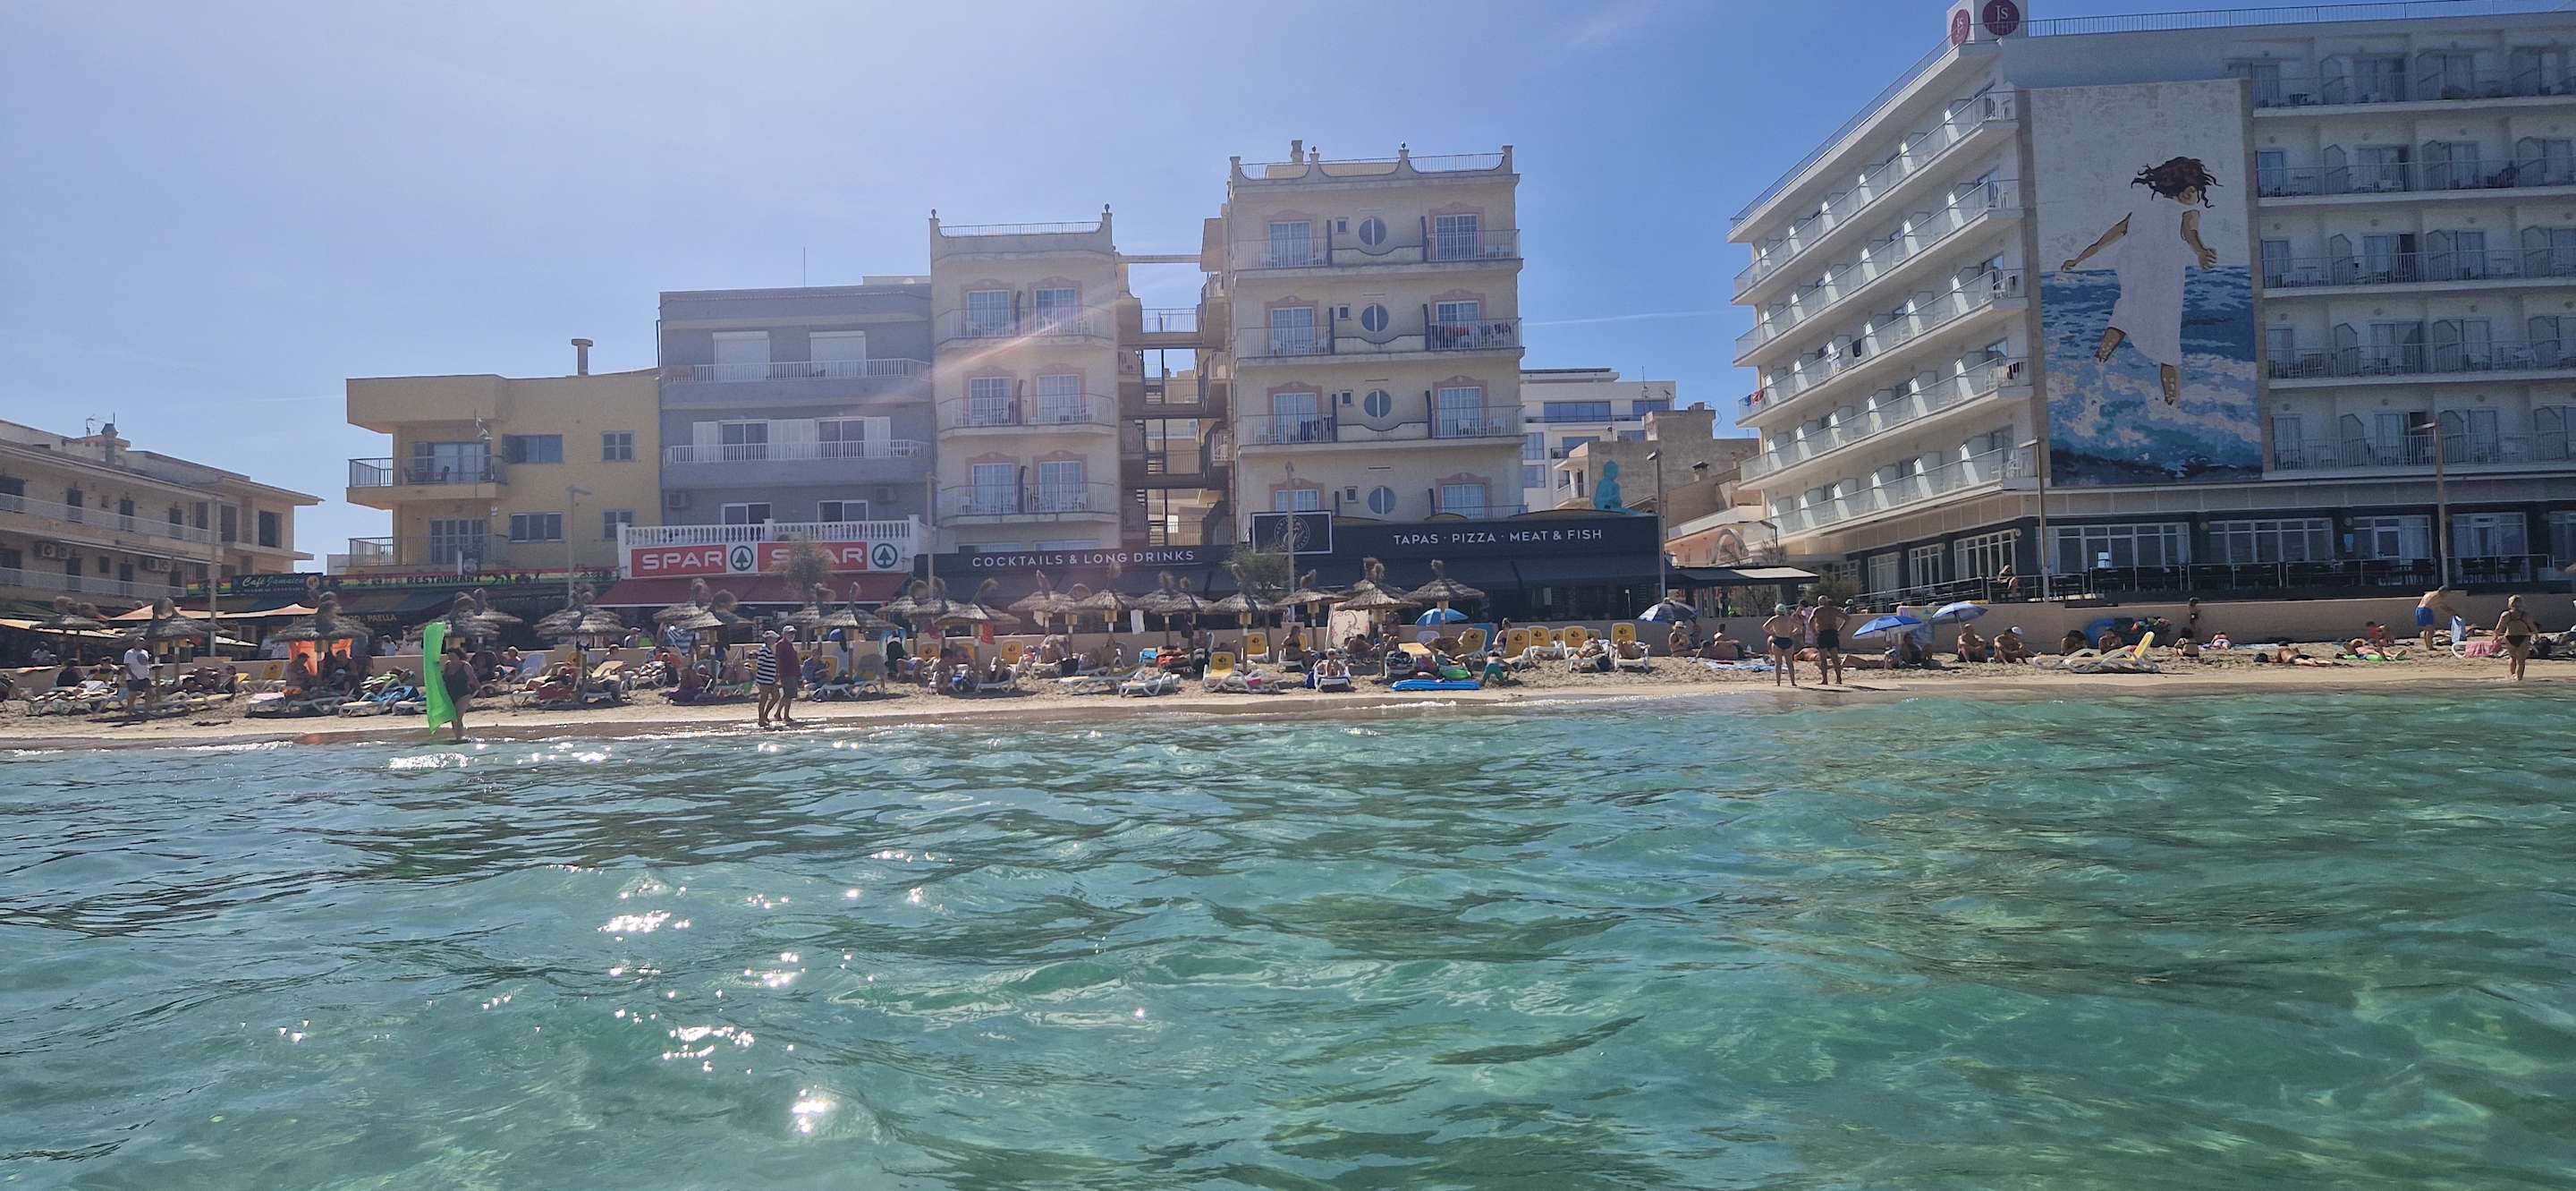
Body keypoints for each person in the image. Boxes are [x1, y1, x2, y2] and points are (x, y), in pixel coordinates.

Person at [2058, 155, 2223, 406]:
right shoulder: (2188, 211)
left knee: (2122, 319)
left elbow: (2103, 241)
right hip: (2165, 284)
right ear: (2189, 190)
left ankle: (2097, 365)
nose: (2198, 196)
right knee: (2169, 348)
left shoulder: (2140, 212)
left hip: (2135, 279)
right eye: (2198, 191)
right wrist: (2201, 252)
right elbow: (2191, 233)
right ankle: (2172, 404)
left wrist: (2077, 259)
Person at [1807, 596, 1849, 685]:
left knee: (1823, 659)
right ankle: (1839, 679)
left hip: (1823, 634)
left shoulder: (1818, 610)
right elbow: (1847, 618)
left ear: (1819, 602)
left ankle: (1825, 680)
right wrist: (1840, 630)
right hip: (1832, 633)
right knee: (1835, 658)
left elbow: (1810, 621)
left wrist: (1814, 631)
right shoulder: (1834, 610)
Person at [2496, 595, 2539, 682]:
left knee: (2513, 657)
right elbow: (2532, 627)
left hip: (2509, 637)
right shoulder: (2525, 615)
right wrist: (2536, 635)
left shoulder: (2506, 615)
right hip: (2523, 637)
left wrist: (2495, 637)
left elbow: (2498, 628)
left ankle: (2512, 675)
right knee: (2521, 660)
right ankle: (2519, 679)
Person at [1761, 604, 1803, 688]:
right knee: (1790, 663)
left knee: (1778, 663)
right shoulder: (1789, 619)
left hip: (1778, 640)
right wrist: (1792, 633)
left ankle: (1778, 683)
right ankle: (1793, 682)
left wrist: (1773, 633)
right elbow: (1799, 627)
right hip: (1788, 640)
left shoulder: (1774, 619)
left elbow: (1764, 627)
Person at [437, 645, 472, 743]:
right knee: (453, 718)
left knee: (458, 716)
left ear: (458, 656)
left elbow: (473, 678)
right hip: (450, 695)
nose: (451, 659)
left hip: (464, 694)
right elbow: (442, 679)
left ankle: (460, 738)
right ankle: (459, 737)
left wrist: (480, 690)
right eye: (449, 657)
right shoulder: (447, 665)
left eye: (453, 657)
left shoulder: (465, 666)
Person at [753, 631, 783, 728]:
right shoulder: (764, 650)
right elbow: (759, 664)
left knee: (776, 696)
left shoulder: (768, 649)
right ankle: (761, 719)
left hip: (770, 679)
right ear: (769, 639)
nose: (775, 640)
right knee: (763, 699)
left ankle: (765, 715)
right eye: (773, 638)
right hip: (765, 679)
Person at [2416, 586, 2458, 652]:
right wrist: (2454, 613)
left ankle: (2428, 645)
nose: (2446, 595)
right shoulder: (2438, 596)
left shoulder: (2430, 593)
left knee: (2426, 630)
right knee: (2431, 630)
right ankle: (2430, 647)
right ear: (2444, 591)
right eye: (2446, 593)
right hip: (2426, 610)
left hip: (2419, 609)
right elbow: (2444, 607)